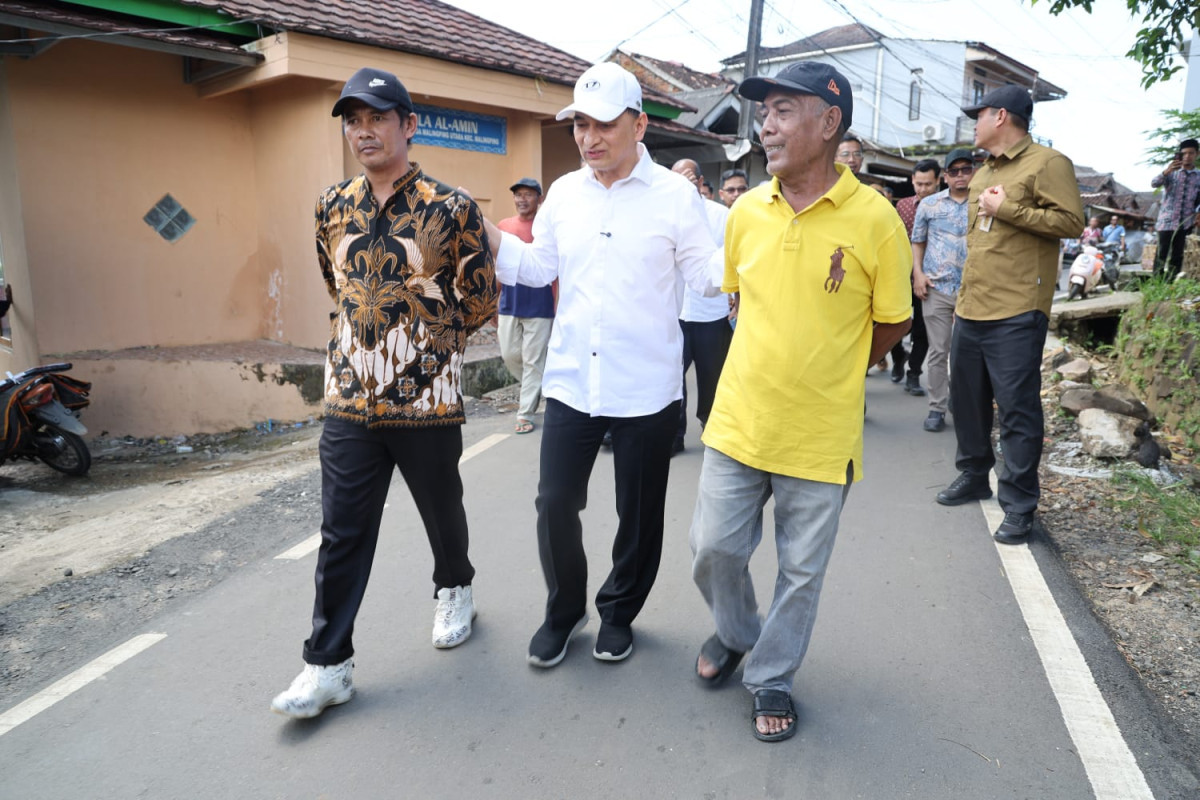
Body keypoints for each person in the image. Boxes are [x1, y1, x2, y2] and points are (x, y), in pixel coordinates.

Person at [689, 61, 912, 743]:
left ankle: (773, 675)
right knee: (712, 549)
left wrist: (837, 370)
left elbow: (894, 320)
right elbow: (738, 298)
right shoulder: (745, 212)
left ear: (829, 122)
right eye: (765, 114)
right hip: (739, 419)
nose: (767, 126)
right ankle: (737, 631)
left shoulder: (876, 220)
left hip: (820, 434)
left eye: (784, 111)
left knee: (801, 572)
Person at [271, 68, 497, 719]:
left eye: (376, 117)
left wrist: (429, 341)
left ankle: (455, 586)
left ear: (408, 124)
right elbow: (337, 283)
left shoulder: (450, 207)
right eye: (353, 120)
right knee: (341, 531)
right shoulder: (331, 205)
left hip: (426, 401)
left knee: (441, 511)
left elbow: (481, 297)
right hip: (348, 399)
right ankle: (327, 665)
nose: (363, 131)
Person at [481, 62, 721, 669]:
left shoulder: (674, 196)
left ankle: (618, 612)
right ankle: (565, 611)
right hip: (572, 381)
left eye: (604, 125)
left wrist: (755, 260)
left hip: (647, 386)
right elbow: (539, 266)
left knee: (638, 515)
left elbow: (704, 276)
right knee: (555, 502)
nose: (589, 138)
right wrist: (485, 232)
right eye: (580, 125)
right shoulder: (564, 193)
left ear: (638, 126)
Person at [935, 85, 1083, 545]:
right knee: (967, 401)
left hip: (1017, 308)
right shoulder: (984, 172)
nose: (973, 124)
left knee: (1017, 410)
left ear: (1000, 116)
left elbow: (1071, 222)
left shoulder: (1048, 163)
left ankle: (1019, 505)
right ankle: (974, 473)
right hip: (972, 306)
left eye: (978, 115)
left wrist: (1009, 208)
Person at [671, 158, 733, 455]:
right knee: (672, 378)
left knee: (712, 377)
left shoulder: (721, 216)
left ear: (699, 181)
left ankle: (711, 428)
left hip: (712, 313)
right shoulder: (664, 214)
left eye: (686, 179)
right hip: (676, 314)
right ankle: (675, 434)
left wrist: (736, 298)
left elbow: (732, 260)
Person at [912, 149, 973, 433]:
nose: (960, 176)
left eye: (966, 169)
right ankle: (936, 408)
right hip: (936, 286)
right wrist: (918, 274)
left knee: (965, 353)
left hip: (974, 290)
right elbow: (918, 241)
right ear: (945, 176)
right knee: (938, 350)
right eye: (954, 171)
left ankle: (962, 404)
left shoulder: (985, 202)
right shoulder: (929, 205)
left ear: (974, 172)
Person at [496, 178, 555, 435]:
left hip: (541, 305)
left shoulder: (546, 228)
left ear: (539, 199)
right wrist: (493, 299)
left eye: (528, 194)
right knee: (510, 355)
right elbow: (497, 265)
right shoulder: (504, 226)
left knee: (533, 360)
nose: (522, 199)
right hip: (509, 302)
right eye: (518, 194)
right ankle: (540, 385)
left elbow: (556, 269)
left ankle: (525, 412)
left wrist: (558, 303)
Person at [890, 159, 940, 395]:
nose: (923, 189)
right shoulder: (903, 206)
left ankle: (914, 374)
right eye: (919, 184)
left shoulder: (944, 207)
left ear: (938, 181)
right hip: (900, 276)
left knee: (922, 328)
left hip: (930, 278)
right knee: (893, 322)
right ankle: (898, 356)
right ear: (912, 181)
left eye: (928, 184)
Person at [1150, 139, 1199, 280]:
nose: (1187, 156)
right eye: (1184, 153)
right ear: (1179, 154)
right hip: (1167, 220)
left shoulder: (1198, 176)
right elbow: (1154, 183)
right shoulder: (1171, 172)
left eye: (1191, 153)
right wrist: (1166, 171)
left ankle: (1170, 284)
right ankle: (1156, 283)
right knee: (1162, 253)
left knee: (1178, 255)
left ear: (1197, 154)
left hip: (1186, 222)